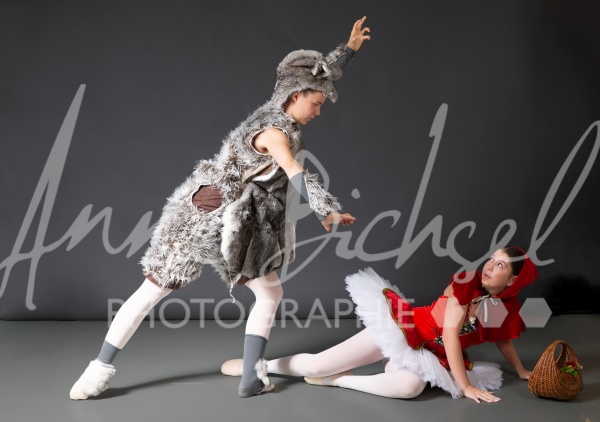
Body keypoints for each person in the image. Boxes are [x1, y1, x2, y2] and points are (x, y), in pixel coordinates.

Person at [69, 16, 371, 400]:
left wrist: (348, 52)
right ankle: (97, 371)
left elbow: (311, 74)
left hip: (239, 224)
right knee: (152, 291)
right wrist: (325, 210)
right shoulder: (274, 132)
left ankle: (251, 377)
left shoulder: (279, 110)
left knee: (269, 294)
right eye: (315, 103)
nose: (318, 111)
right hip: (202, 217)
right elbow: (295, 170)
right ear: (295, 97)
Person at [221, 246, 539, 403]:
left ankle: (339, 382)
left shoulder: (502, 308)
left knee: (410, 388)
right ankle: (256, 366)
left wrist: (521, 369)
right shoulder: (466, 284)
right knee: (318, 364)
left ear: (512, 280)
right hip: (405, 330)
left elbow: (502, 339)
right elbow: (451, 334)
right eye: (492, 258)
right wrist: (466, 386)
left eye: (500, 265)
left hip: (428, 355)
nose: (490, 266)